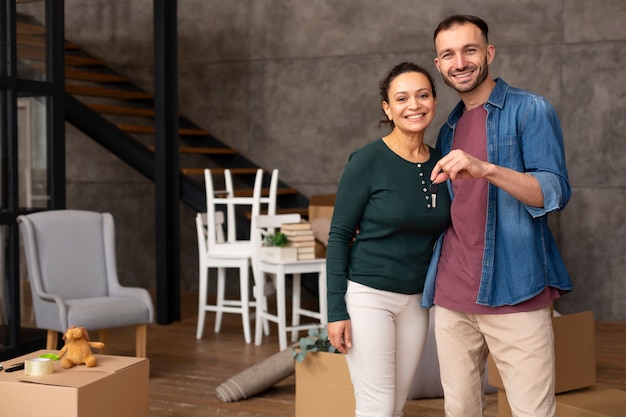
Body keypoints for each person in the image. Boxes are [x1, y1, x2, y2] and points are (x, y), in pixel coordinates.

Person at [422, 15, 573, 417]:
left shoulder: (530, 110)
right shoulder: (448, 128)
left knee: (532, 412)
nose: (460, 62)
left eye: (469, 50)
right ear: (438, 65)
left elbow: (553, 192)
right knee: (461, 411)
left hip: (516, 292)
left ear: (488, 53)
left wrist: (486, 168)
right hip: (453, 297)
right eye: (448, 55)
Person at [326, 62, 451, 417]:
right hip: (369, 296)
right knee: (377, 406)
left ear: (434, 100)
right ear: (387, 108)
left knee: (394, 405)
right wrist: (336, 311)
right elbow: (338, 238)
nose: (414, 105)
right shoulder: (366, 161)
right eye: (402, 98)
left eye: (422, 95)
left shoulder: (442, 164)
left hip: (416, 303)